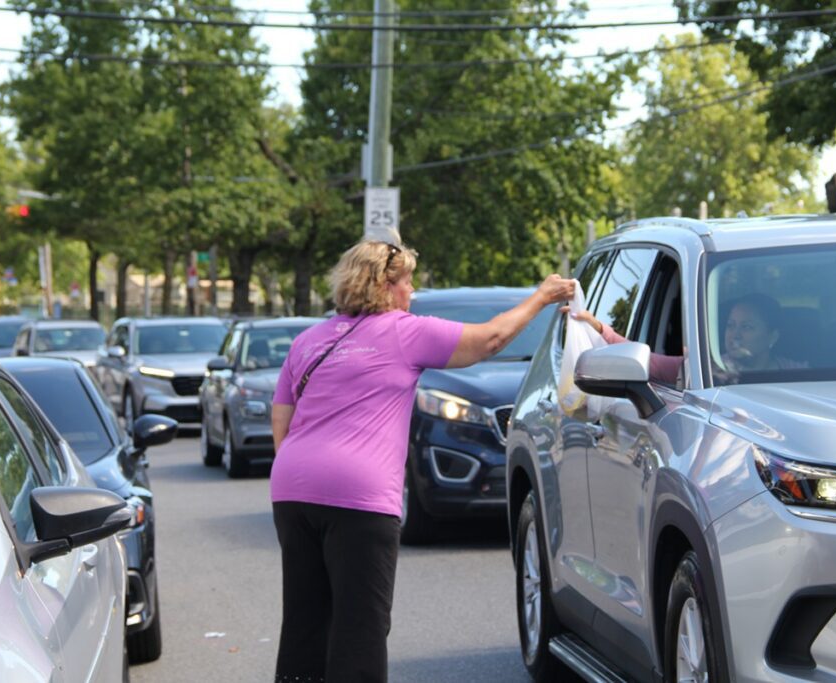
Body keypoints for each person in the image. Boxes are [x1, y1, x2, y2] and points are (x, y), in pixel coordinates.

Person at [269, 240, 576, 683]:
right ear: (383, 286)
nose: (411, 291)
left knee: (305, 620)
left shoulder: (308, 341)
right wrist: (541, 298)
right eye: (407, 281)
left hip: (293, 491)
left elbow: (283, 423)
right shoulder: (403, 331)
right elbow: (488, 339)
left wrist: (307, 472)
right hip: (360, 497)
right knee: (361, 628)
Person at [566, 292, 802, 384]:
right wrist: (596, 326)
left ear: (772, 336)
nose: (735, 335)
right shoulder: (701, 368)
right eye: (730, 326)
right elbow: (642, 356)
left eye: (747, 327)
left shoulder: (797, 374)